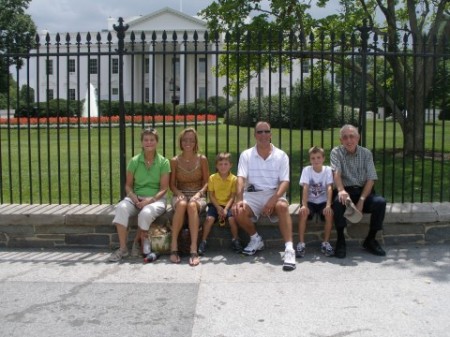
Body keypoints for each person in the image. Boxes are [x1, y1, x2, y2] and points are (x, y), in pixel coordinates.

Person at [232, 121, 296, 271]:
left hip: (273, 193)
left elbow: (285, 181)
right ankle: (255, 239)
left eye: (266, 132)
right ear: (255, 135)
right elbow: (240, 178)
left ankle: (289, 249)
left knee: (281, 206)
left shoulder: (281, 155)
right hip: (253, 194)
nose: (263, 135)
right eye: (259, 132)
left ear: (271, 134)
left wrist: (273, 200)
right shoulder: (246, 155)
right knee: (238, 210)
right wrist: (239, 199)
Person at [108, 128, 170, 263]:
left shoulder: (164, 162)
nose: (149, 143)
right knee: (121, 208)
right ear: (142, 143)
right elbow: (128, 185)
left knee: (145, 213)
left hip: (156, 199)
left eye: (152, 140)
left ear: (156, 142)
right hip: (136, 197)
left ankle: (137, 243)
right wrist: (134, 197)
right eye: (146, 140)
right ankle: (123, 248)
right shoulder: (135, 161)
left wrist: (149, 201)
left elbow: (164, 188)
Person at [330, 124, 387, 258]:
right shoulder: (336, 152)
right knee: (338, 202)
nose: (349, 140)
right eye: (345, 137)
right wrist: (341, 191)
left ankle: (371, 240)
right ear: (341, 140)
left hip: (364, 192)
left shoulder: (366, 153)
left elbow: (371, 179)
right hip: (346, 191)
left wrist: (361, 201)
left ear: (358, 138)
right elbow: (336, 174)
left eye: (352, 136)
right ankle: (340, 240)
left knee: (380, 203)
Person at [169, 127, 209, 266]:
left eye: (191, 140)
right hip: (180, 193)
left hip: (197, 194)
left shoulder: (202, 159)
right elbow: (172, 184)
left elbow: (207, 182)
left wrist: (198, 194)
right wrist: (179, 194)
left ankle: (193, 249)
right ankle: (174, 247)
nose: (188, 142)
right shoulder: (174, 160)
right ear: (181, 142)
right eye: (185, 140)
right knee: (182, 204)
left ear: (195, 142)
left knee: (191, 206)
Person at [198, 152, 242, 255]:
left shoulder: (234, 179)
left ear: (231, 165)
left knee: (231, 219)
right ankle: (203, 241)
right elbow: (211, 195)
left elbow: (233, 196)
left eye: (226, 164)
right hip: (215, 204)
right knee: (209, 219)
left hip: (228, 205)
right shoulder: (212, 178)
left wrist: (226, 209)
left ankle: (235, 240)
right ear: (216, 165)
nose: (223, 167)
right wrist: (218, 208)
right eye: (220, 164)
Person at [297, 146, 334, 258]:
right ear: (310, 159)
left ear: (323, 158)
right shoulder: (307, 170)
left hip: (323, 201)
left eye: (318, 157)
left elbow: (329, 188)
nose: (316, 160)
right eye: (313, 158)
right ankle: (301, 243)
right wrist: (304, 205)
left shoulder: (327, 170)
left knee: (329, 215)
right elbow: (305, 188)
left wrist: (328, 205)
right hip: (310, 201)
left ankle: (325, 243)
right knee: (303, 214)